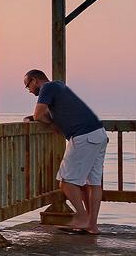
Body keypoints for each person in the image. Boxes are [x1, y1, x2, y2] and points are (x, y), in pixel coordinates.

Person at [25, 70, 106, 235]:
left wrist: (50, 123)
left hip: (83, 136)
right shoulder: (59, 86)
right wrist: (48, 120)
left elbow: (39, 114)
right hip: (99, 134)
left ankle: (82, 217)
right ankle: (92, 225)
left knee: (66, 182)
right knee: (93, 183)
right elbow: (47, 113)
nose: (29, 91)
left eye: (28, 85)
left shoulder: (47, 87)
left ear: (35, 80)